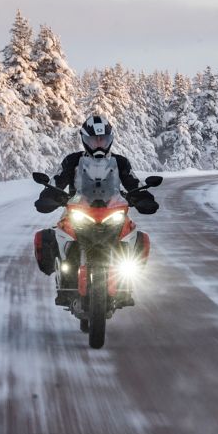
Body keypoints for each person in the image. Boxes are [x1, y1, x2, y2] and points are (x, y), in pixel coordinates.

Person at [44, 115, 158, 308]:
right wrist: (48, 195)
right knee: (58, 234)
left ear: (110, 139)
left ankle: (125, 282)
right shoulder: (72, 161)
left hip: (111, 210)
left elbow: (133, 182)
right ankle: (64, 277)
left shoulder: (120, 162)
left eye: (102, 140)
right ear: (84, 139)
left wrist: (143, 197)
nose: (98, 144)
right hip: (78, 210)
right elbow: (57, 180)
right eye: (94, 140)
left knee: (134, 234)